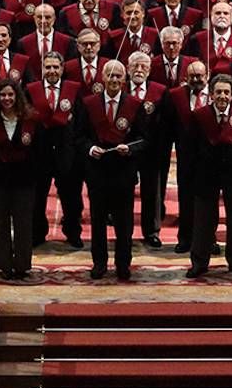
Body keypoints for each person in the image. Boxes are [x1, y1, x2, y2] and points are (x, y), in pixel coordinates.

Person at [75, 60, 145, 280]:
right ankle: (99, 263)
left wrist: (130, 149)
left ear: (124, 80)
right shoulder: (89, 104)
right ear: (102, 78)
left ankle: (123, 264)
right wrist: (90, 148)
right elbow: (78, 137)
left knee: (124, 224)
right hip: (97, 173)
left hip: (123, 173)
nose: (114, 80)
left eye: (118, 76)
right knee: (98, 222)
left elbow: (145, 139)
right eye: (110, 76)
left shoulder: (134, 104)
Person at [186, 74, 232, 279]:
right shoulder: (199, 116)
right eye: (218, 92)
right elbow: (191, 149)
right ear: (211, 94)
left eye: (226, 92)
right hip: (206, 175)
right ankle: (199, 262)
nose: (222, 96)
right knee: (203, 221)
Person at [0, 78, 42, 279]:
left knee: (24, 222)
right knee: (2, 222)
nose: (7, 98)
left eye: (10, 95)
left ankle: (23, 264)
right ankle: (4, 265)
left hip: (25, 179)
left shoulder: (31, 119)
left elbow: (39, 148)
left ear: (17, 96)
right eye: (3, 95)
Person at [28, 51, 85, 248]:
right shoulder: (31, 90)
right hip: (39, 154)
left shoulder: (73, 90)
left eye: (55, 67)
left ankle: (73, 232)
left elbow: (81, 122)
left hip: (67, 153)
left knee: (71, 198)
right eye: (48, 67)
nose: (52, 70)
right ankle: (37, 233)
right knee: (37, 197)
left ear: (62, 69)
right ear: (42, 69)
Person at [167, 60, 210, 253]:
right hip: (186, 157)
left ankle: (210, 240)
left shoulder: (217, 93)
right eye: (192, 76)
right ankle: (185, 238)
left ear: (206, 76)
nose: (196, 80)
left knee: (208, 201)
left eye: (199, 76)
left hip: (211, 156)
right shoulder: (176, 96)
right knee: (185, 200)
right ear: (186, 78)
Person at [125, 52, 167, 247]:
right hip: (125, 150)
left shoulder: (159, 91)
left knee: (152, 192)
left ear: (150, 70)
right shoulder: (121, 88)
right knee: (124, 191)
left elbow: (165, 123)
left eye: (143, 66)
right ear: (128, 68)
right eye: (135, 66)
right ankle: (124, 230)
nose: (139, 70)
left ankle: (151, 231)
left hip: (151, 150)